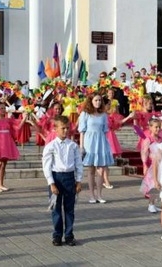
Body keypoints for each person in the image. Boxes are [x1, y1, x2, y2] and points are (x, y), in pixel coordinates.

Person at [42, 116, 83, 247]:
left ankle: (69, 235)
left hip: (70, 178)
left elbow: (78, 164)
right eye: (62, 128)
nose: (65, 131)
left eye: (67, 128)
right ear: (55, 129)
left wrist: (79, 180)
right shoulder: (51, 146)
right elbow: (46, 165)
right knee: (57, 209)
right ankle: (57, 235)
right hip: (57, 177)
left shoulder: (73, 146)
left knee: (69, 209)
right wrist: (51, 183)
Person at [78, 93, 114, 204]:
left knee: (101, 169)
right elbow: (82, 131)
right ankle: (91, 195)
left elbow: (105, 130)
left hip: (101, 142)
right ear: (91, 101)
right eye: (95, 100)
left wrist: (107, 145)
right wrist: (81, 146)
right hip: (89, 142)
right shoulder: (85, 114)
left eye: (99, 100)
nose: (98, 102)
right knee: (91, 170)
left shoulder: (103, 115)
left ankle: (99, 195)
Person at [0, 102, 26, 193]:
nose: (3, 110)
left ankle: (1, 184)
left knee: (4, 164)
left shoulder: (8, 120)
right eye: (1, 108)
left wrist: (24, 119)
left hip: (7, 141)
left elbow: (17, 127)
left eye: (4, 108)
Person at [140, 118, 162, 213]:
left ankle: (154, 204)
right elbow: (144, 152)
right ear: (150, 127)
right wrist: (145, 165)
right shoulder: (148, 139)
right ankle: (150, 204)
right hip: (152, 166)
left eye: (159, 127)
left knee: (159, 184)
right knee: (152, 185)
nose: (158, 129)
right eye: (155, 127)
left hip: (161, 165)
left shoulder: (161, 139)